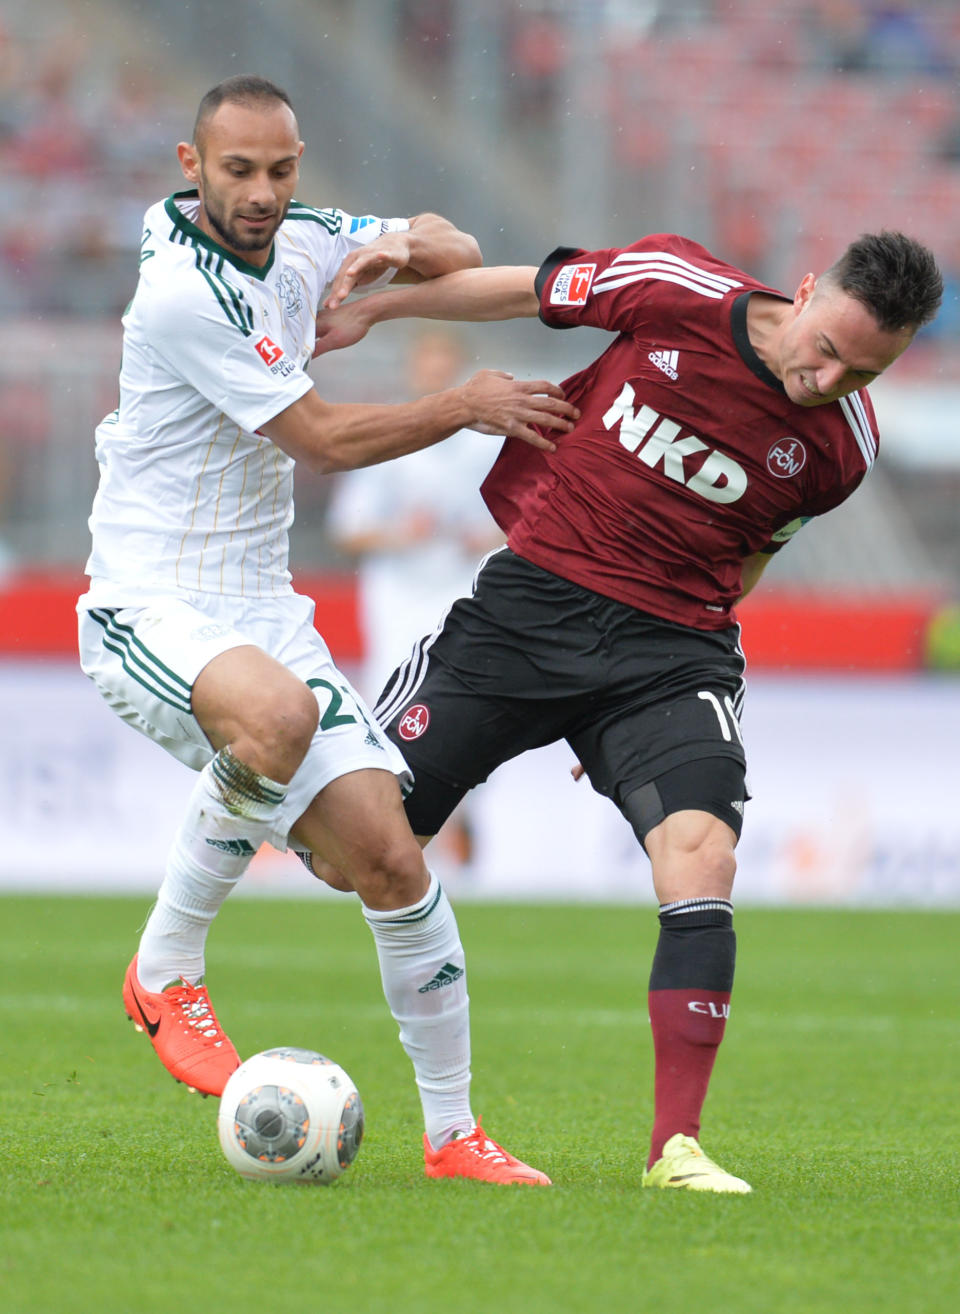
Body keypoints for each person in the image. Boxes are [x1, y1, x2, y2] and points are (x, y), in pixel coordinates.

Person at [311, 228, 943, 1192]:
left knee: (704, 855)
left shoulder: (844, 449)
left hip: (666, 654)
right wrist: (379, 307)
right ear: (807, 287)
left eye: (862, 370)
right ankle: (232, 809)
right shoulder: (673, 287)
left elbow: (752, 556)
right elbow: (523, 289)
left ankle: (674, 1150)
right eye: (826, 347)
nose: (827, 379)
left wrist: (619, 712)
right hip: (529, 609)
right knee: (347, 856)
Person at [76, 74, 578, 1187]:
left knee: (393, 860)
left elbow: (457, 246)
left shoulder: (303, 234)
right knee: (278, 718)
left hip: (262, 607)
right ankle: (167, 970)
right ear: (188, 165)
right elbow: (321, 439)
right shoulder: (180, 292)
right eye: (238, 170)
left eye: (281, 169)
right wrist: (459, 405)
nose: (261, 193)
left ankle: (453, 1137)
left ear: (300, 164)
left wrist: (399, 248)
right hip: (149, 599)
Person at [327, 328, 504, 874]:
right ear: (414, 369)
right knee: (390, 697)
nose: (433, 370)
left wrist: (489, 536)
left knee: (464, 699)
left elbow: (522, 521)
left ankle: (460, 818)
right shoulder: (394, 439)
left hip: (460, 586)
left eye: (442, 360)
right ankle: (389, 820)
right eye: (425, 360)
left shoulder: (487, 443)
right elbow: (349, 530)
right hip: (398, 591)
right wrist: (405, 533)